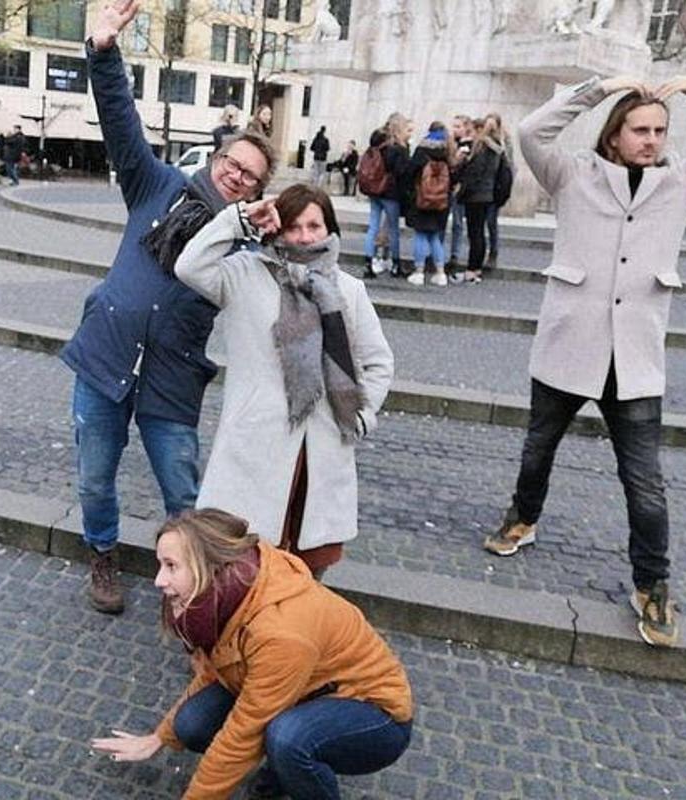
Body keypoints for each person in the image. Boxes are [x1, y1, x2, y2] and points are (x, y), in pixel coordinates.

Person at [484, 74, 686, 648]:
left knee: (645, 483)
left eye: (659, 131)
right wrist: (597, 88)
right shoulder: (572, 174)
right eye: (639, 130)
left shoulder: (684, 181)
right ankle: (523, 516)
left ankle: (653, 583)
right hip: (569, 344)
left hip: (636, 356)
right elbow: (530, 130)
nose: (651, 140)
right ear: (614, 135)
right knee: (538, 448)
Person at [62, 0, 276, 615]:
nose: (236, 176)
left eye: (250, 176)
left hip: (172, 380)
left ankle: (192, 583)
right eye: (232, 164)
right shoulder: (156, 185)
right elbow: (120, 121)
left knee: (184, 491)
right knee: (94, 479)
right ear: (216, 159)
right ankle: (102, 554)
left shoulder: (245, 235)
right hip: (105, 359)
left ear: (259, 188)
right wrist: (104, 50)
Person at [91, 509, 414, 799]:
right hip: (305, 689)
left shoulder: (280, 632)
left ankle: (290, 765)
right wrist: (159, 737)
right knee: (190, 724)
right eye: (161, 564)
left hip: (374, 714)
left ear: (212, 567)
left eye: (171, 566)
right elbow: (215, 670)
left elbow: (242, 733)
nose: (159, 581)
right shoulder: (229, 592)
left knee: (287, 739)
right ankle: (285, 768)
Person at [174, 184, 393, 576]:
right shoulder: (244, 274)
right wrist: (238, 220)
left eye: (315, 225)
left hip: (322, 453)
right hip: (254, 449)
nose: (306, 236)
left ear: (330, 229)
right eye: (294, 226)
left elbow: (378, 362)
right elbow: (189, 266)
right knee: (238, 570)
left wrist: (362, 415)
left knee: (307, 578)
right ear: (277, 229)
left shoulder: (348, 290)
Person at [455, 116, 504, 283]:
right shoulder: (495, 148)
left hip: (476, 195)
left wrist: (461, 191)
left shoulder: (482, 148)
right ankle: (475, 269)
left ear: (478, 130)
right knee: (479, 233)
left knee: (474, 233)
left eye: (471, 131)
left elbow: (475, 173)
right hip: (487, 194)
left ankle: (472, 269)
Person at [404, 123, 454, 287]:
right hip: (441, 201)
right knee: (434, 236)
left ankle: (419, 272)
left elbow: (409, 172)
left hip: (422, 199)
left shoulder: (421, 150)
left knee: (420, 235)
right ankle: (440, 273)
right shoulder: (448, 151)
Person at [364, 113, 411, 277]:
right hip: (391, 193)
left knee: (373, 226)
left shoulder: (378, 143)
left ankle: (368, 264)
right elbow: (401, 172)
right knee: (393, 230)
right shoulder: (400, 148)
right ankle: (395, 264)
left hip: (374, 189)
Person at [483, 112, 513, 270]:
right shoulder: (480, 139)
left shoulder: (504, 140)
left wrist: (492, 142)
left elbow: (507, 159)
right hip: (482, 187)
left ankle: (493, 252)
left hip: (496, 188)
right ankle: (483, 253)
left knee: (491, 221)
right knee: (481, 222)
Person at [446, 115, 474, 273]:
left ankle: (454, 254)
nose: (454, 129)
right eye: (454, 126)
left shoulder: (469, 145)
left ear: (465, 128)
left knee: (457, 223)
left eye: (458, 126)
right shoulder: (452, 143)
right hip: (448, 186)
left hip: (459, 188)